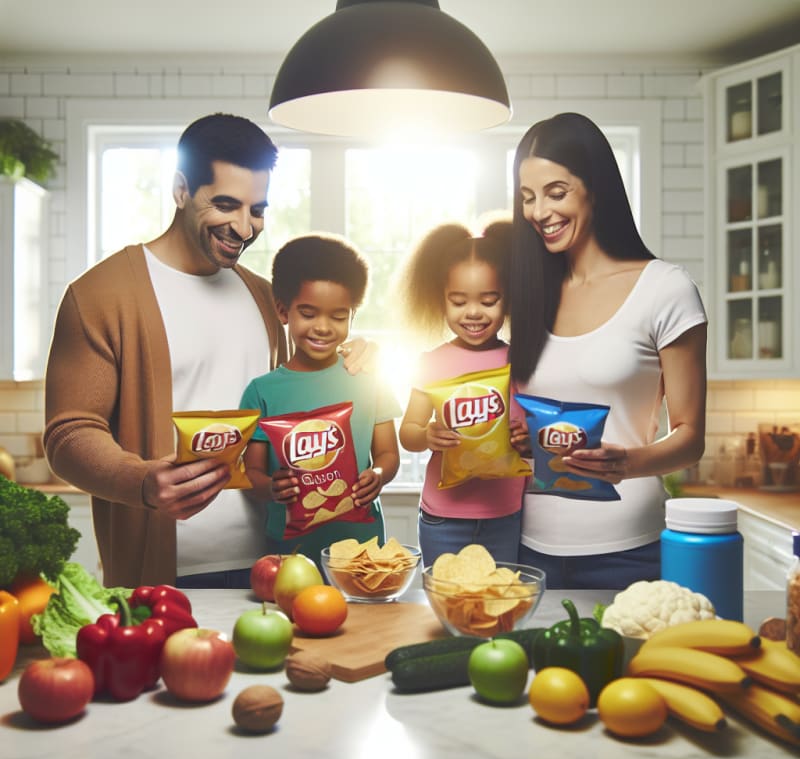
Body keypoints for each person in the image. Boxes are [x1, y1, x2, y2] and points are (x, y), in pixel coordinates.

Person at [43, 113, 371, 589]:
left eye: (256, 209)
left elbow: (292, 400)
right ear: (180, 190)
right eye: (225, 204)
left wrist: (358, 359)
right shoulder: (100, 294)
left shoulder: (263, 296)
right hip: (160, 572)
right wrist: (141, 481)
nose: (243, 227)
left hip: (274, 563)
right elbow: (68, 434)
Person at [508, 111, 707, 590]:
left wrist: (628, 462)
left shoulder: (666, 289)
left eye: (556, 192)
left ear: (595, 187)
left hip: (630, 550)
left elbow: (690, 435)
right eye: (528, 197)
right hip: (528, 547)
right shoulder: (531, 290)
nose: (539, 212)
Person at [240, 233, 401, 570]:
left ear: (352, 316)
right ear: (284, 310)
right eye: (309, 314)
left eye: (338, 317)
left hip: (362, 545)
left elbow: (388, 453)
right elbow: (250, 472)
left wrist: (379, 473)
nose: (323, 328)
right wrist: (271, 487)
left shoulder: (368, 376)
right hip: (288, 548)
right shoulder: (262, 391)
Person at [398, 220, 528, 567]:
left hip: (506, 516)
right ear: (440, 300)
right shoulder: (431, 362)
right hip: (443, 518)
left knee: (499, 605)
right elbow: (407, 432)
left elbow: (536, 430)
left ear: (509, 300)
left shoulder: (519, 360)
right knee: (445, 607)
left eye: (489, 300)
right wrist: (426, 434)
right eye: (458, 301)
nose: (473, 312)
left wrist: (527, 440)